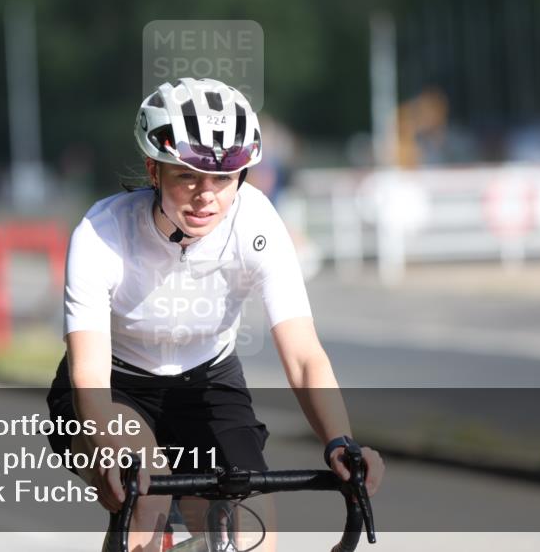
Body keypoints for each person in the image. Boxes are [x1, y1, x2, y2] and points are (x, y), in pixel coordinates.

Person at [45, 78, 384, 552]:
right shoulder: (101, 234)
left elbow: (305, 355)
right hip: (117, 387)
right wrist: (107, 455)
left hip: (207, 382)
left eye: (223, 179)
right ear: (154, 169)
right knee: (145, 498)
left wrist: (340, 442)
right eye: (188, 176)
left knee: (249, 524)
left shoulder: (257, 223)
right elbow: (89, 378)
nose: (207, 196)